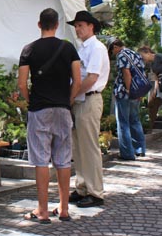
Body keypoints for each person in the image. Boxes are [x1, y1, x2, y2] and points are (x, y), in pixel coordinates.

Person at [18, 8, 81, 223]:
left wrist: (29, 99)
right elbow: (77, 80)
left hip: (39, 109)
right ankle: (63, 209)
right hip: (62, 108)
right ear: (56, 25)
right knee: (63, 160)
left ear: (39, 24)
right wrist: (69, 100)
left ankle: (42, 211)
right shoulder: (68, 48)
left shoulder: (29, 50)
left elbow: (21, 83)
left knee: (41, 161)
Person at [66, 10, 108, 208]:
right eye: (76, 26)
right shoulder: (82, 48)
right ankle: (82, 187)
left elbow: (91, 78)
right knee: (78, 146)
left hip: (89, 99)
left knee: (89, 147)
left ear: (91, 26)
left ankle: (95, 191)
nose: (77, 29)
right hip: (80, 100)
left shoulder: (96, 48)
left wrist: (72, 95)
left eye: (80, 25)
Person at [109, 39, 147, 160]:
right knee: (135, 120)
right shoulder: (135, 54)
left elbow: (126, 73)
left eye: (111, 50)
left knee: (123, 122)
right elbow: (142, 72)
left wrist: (128, 89)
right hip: (137, 92)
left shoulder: (121, 55)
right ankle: (139, 149)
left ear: (115, 46)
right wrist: (138, 91)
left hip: (124, 93)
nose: (112, 54)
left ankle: (127, 153)